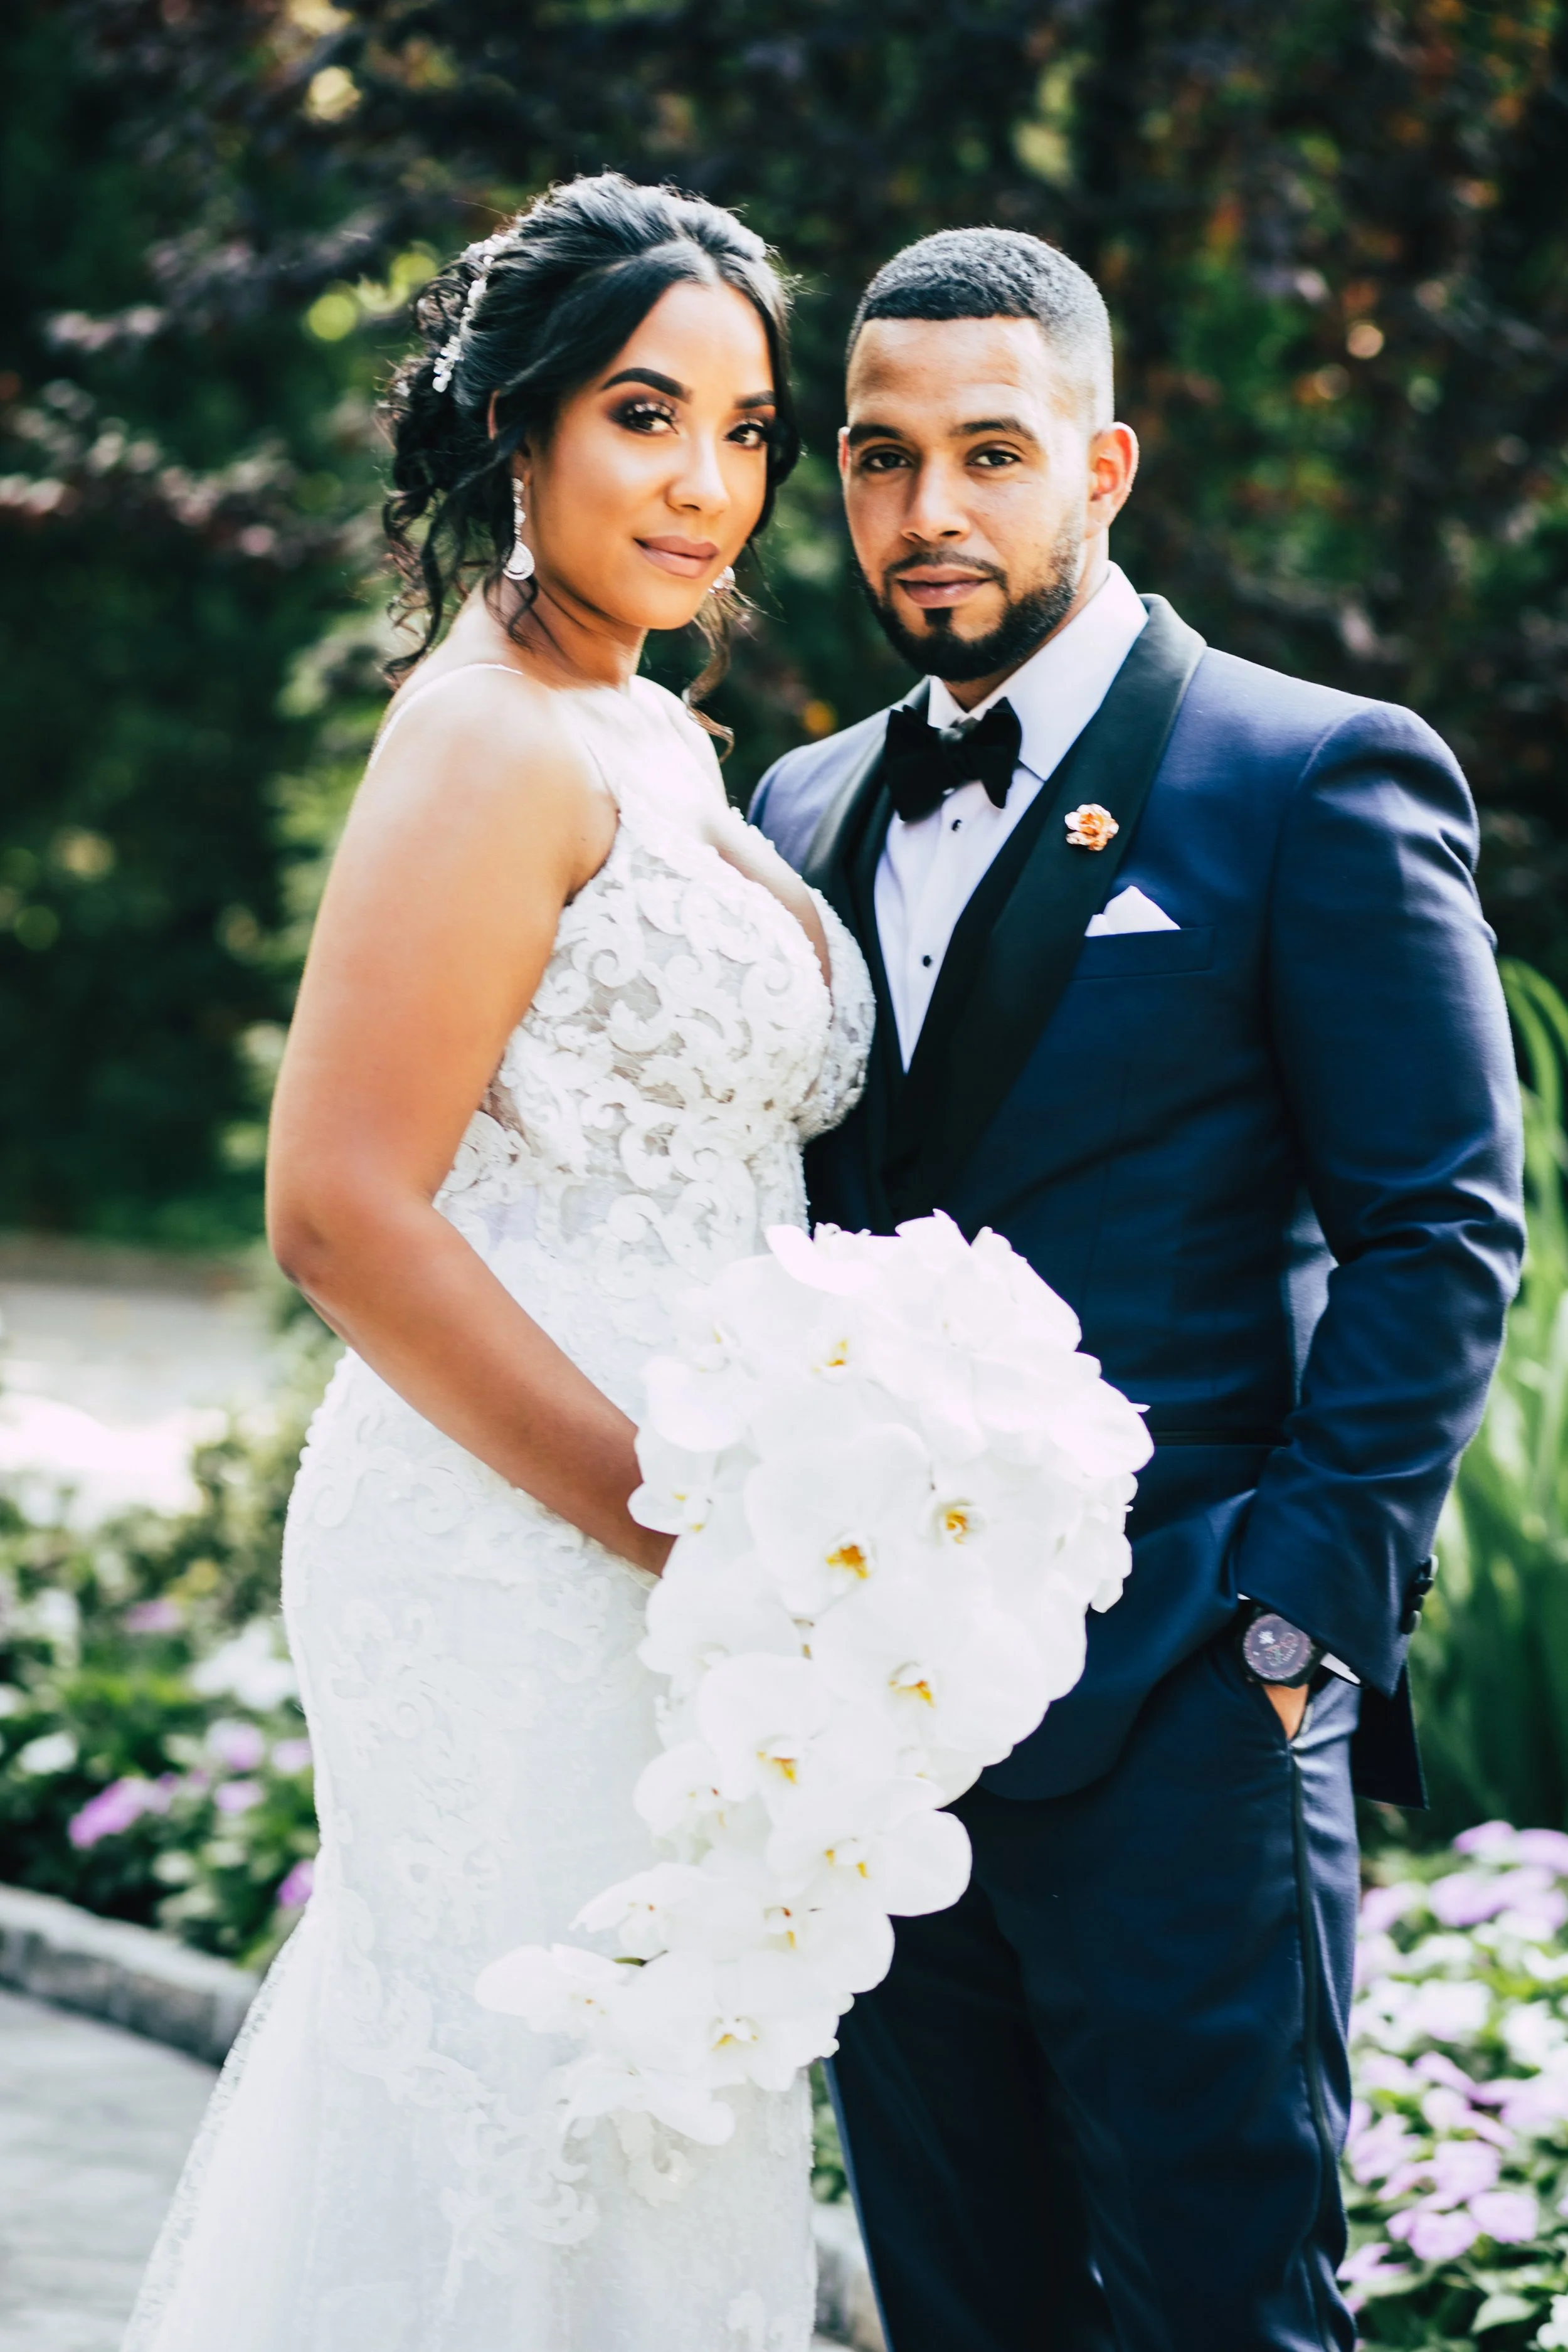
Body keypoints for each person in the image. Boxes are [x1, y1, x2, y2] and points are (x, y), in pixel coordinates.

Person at [750, 227, 1524, 2351]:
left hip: (1185, 1699)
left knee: (1224, 2317)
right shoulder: (794, 803)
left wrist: (1293, 1632)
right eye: (880, 457)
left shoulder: (1311, 775)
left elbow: (1439, 1228)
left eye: (989, 454)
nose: (930, 513)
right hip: (878, 1745)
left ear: (1100, 464)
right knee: (958, 2313)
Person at [121, 174, 871, 2352]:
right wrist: (670, 1511)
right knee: (523, 2126)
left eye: (746, 430)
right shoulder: (484, 736)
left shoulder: (646, 725)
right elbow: (342, 1205)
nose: (707, 482)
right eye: (648, 414)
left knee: (655, 2116)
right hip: (524, 1537)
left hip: (678, 1555)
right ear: (519, 430)